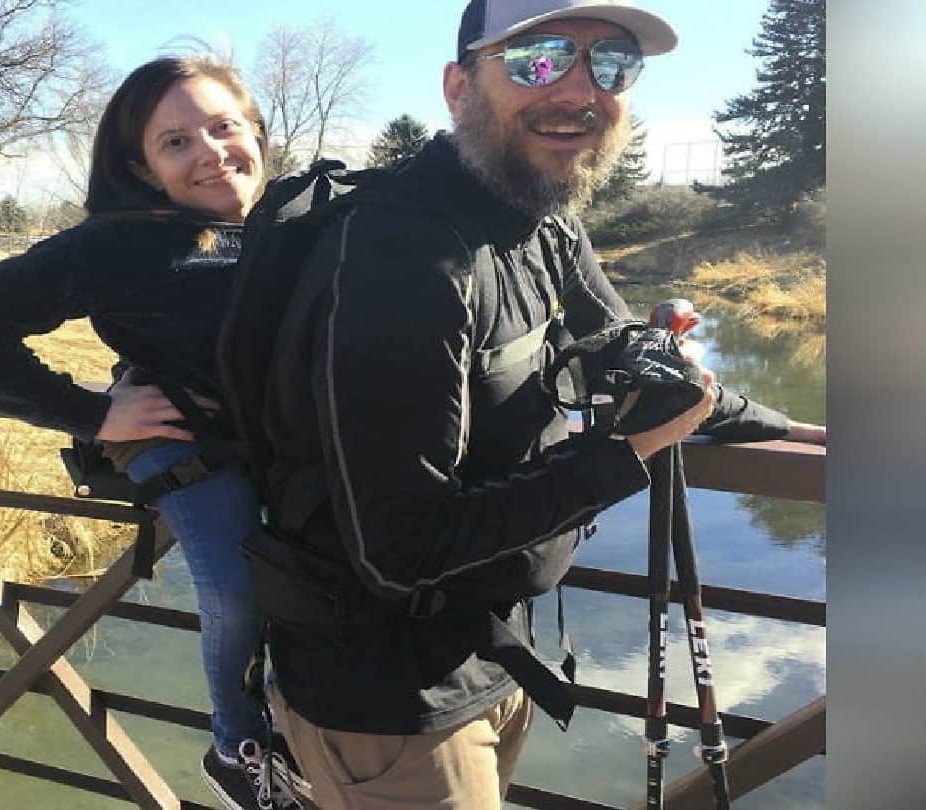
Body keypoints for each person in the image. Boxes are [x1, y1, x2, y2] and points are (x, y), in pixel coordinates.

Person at [254, 1, 825, 807]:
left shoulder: (540, 218)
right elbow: (397, 550)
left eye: (611, 64)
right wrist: (623, 454)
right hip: (388, 697)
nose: (580, 90)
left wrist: (798, 428)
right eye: (537, 60)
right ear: (459, 88)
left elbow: (633, 352)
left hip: (491, 652)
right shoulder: (404, 254)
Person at [0, 55, 305, 810]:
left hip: (281, 444)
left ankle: (305, 737)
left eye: (224, 127)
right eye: (176, 142)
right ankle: (238, 748)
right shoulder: (122, 243)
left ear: (256, 132)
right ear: (142, 169)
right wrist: (91, 413)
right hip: (183, 441)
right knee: (237, 584)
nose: (211, 152)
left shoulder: (296, 225)